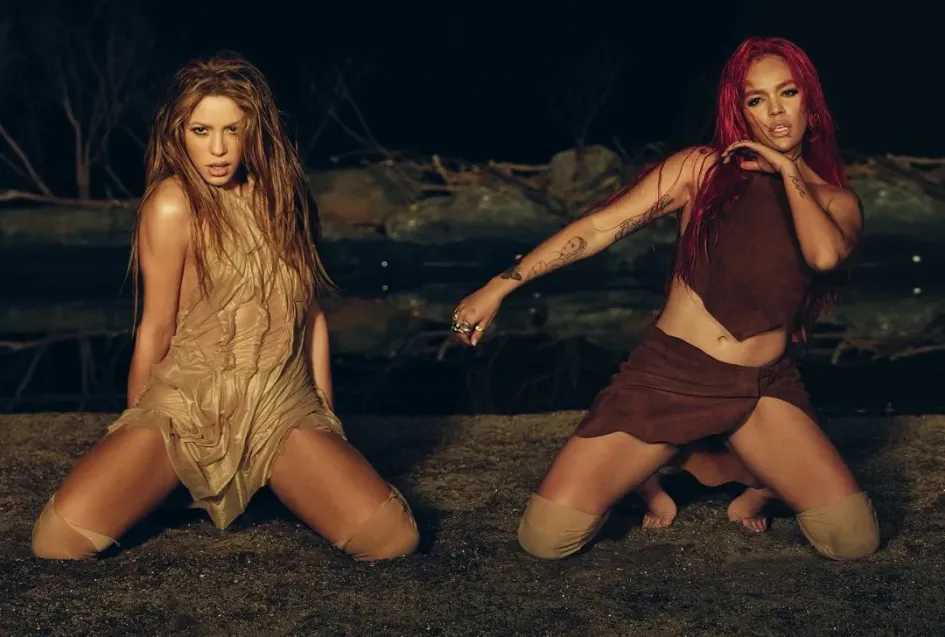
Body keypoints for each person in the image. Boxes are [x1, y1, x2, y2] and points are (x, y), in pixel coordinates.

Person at [450, 36, 880, 560]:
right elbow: (600, 227)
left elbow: (824, 256)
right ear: (740, 110)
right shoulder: (702, 169)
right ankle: (651, 471)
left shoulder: (837, 202)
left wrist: (788, 169)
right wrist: (499, 286)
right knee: (545, 539)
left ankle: (755, 481)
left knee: (852, 541)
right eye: (756, 99)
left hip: (759, 389)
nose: (774, 112)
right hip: (667, 376)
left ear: (810, 101)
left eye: (787, 93)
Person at [30, 52, 419, 561]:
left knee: (392, 540)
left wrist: (327, 420)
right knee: (57, 543)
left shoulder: (284, 198)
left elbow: (312, 316)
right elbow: (155, 327)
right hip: (186, 402)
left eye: (232, 130)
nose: (217, 149)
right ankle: (177, 481)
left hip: (278, 404)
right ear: (178, 133)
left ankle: (262, 474)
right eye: (201, 131)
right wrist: (135, 424)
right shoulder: (172, 204)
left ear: (253, 130)